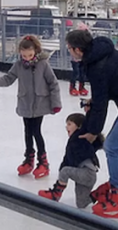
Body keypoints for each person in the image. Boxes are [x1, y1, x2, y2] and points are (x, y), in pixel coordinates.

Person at [0, 35, 62, 178]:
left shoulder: (43, 64)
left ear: (36, 51)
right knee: (27, 131)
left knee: (36, 131)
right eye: (24, 55)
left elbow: (53, 83)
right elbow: (8, 79)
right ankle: (29, 159)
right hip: (25, 103)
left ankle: (43, 162)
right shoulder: (19, 65)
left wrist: (56, 103)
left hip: (40, 103)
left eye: (30, 55)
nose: (27, 58)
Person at [66, 30, 118, 217]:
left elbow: (102, 102)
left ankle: (116, 191)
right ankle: (114, 185)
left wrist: (94, 131)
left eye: (69, 49)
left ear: (78, 50)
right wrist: (94, 100)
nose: (69, 52)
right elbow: (110, 86)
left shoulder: (97, 66)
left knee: (112, 146)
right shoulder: (101, 51)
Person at [38, 113, 103, 208]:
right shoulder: (75, 141)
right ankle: (101, 193)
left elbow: (87, 123)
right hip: (85, 176)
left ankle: (55, 194)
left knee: (65, 171)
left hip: (87, 174)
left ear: (79, 126)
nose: (66, 127)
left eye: (69, 124)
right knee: (81, 203)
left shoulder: (80, 137)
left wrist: (90, 109)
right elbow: (67, 159)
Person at [69, 23, 89, 96]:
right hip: (75, 60)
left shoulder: (85, 41)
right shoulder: (74, 40)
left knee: (82, 74)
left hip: (82, 59)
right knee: (76, 73)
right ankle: (72, 87)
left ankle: (81, 87)